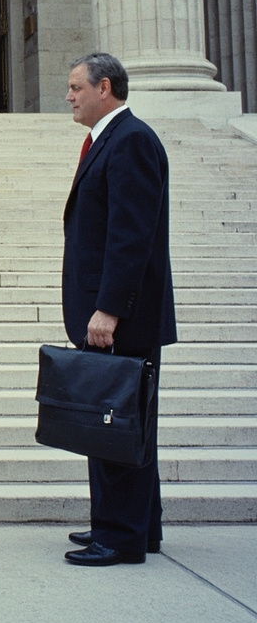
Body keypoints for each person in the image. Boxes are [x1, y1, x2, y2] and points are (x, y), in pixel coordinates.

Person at [61, 52, 177, 567]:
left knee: (114, 423)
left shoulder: (130, 141)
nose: (68, 96)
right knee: (122, 425)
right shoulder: (112, 139)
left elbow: (131, 236)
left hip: (121, 317)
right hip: (115, 312)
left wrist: (108, 309)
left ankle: (120, 536)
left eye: (75, 88)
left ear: (103, 87)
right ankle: (134, 526)